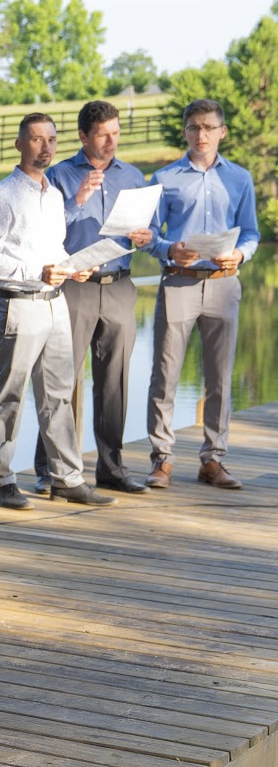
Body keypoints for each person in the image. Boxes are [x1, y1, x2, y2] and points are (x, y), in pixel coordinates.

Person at [0, 114, 115, 508]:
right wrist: (36, 272)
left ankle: (66, 478)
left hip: (56, 304)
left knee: (59, 394)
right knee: (9, 396)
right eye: (37, 139)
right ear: (20, 144)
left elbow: (55, 248)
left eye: (52, 140)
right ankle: (3, 480)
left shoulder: (55, 195)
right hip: (19, 304)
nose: (46, 147)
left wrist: (74, 268)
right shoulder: (2, 195)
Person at [37, 100, 159, 495]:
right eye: (103, 134)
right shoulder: (59, 175)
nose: (111, 141)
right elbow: (45, 231)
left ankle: (112, 469)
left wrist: (147, 236)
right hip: (73, 288)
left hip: (120, 287)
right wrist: (77, 202)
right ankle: (50, 470)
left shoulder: (133, 176)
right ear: (83, 136)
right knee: (61, 380)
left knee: (114, 383)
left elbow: (152, 230)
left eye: (116, 133)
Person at [145, 99, 260, 491]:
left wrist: (240, 254)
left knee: (220, 378)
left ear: (222, 132)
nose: (201, 134)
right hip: (178, 281)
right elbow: (148, 234)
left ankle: (213, 461)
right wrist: (169, 249)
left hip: (225, 284)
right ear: (185, 131)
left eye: (209, 127)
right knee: (165, 375)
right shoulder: (164, 178)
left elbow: (251, 231)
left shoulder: (240, 179)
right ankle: (161, 460)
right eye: (194, 127)